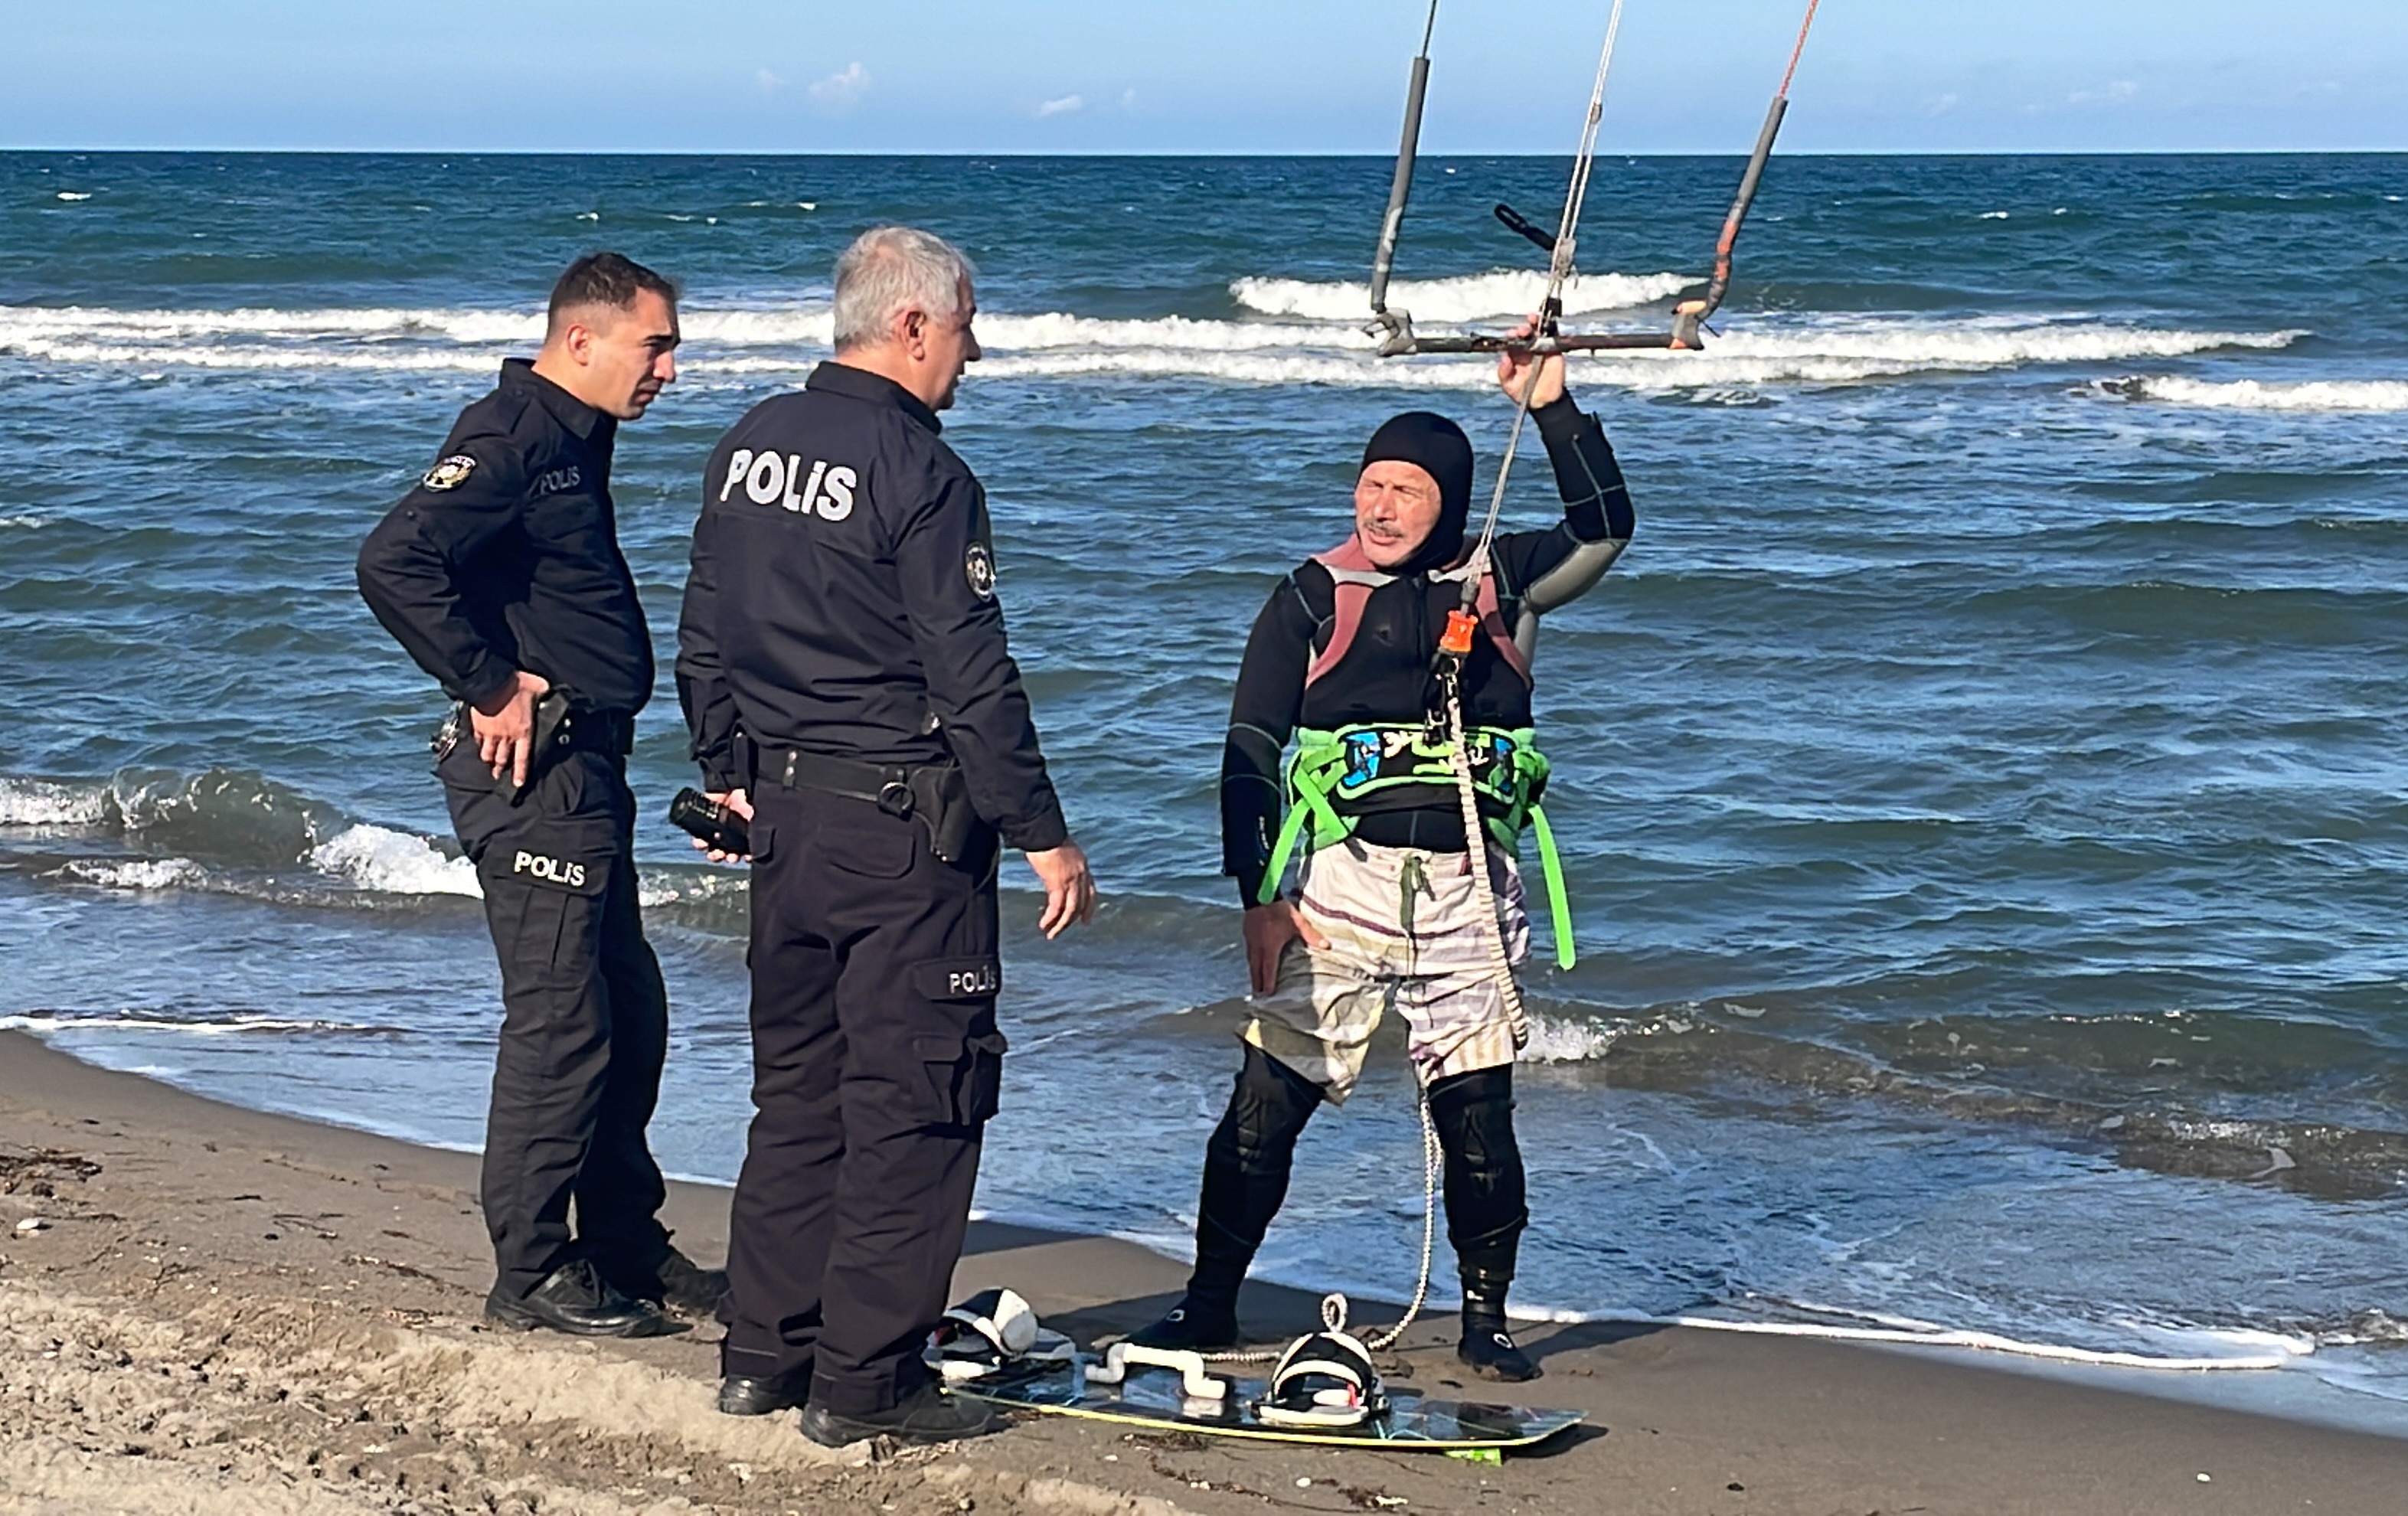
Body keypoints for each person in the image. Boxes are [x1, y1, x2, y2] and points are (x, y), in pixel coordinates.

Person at [1134, 327, 1632, 1384]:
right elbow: (1248, 749)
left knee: (1480, 1122)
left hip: (1466, 895)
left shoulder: (1508, 580)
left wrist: (1550, 404)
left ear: (1447, 500)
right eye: (1371, 485)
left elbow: (1607, 523)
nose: (1382, 506)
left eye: (1406, 490)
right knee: (1265, 1108)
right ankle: (1207, 1305)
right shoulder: (1313, 594)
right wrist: (1257, 897)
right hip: (1339, 892)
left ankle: (1486, 1322)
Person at [676, 225, 1098, 1448]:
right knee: (917, 1098)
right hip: (903, 832)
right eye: (964, 330)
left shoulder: (749, 442)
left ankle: (765, 1353)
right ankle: (867, 1381)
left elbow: (706, 627)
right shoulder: (922, 471)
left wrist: (727, 772)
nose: (972, 355)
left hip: (786, 825)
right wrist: (1041, 828)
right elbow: (971, 672)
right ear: (911, 325)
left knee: (798, 1094)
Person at [357, 251, 719, 1338]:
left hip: (589, 765)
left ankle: (620, 1240)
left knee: (631, 1011)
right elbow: (393, 561)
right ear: (582, 342)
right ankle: (531, 1271)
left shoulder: (574, 436)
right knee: (563, 1023)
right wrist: (486, 682)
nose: (668, 369)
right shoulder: (511, 437)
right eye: (654, 346)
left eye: (672, 348)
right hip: (533, 775)